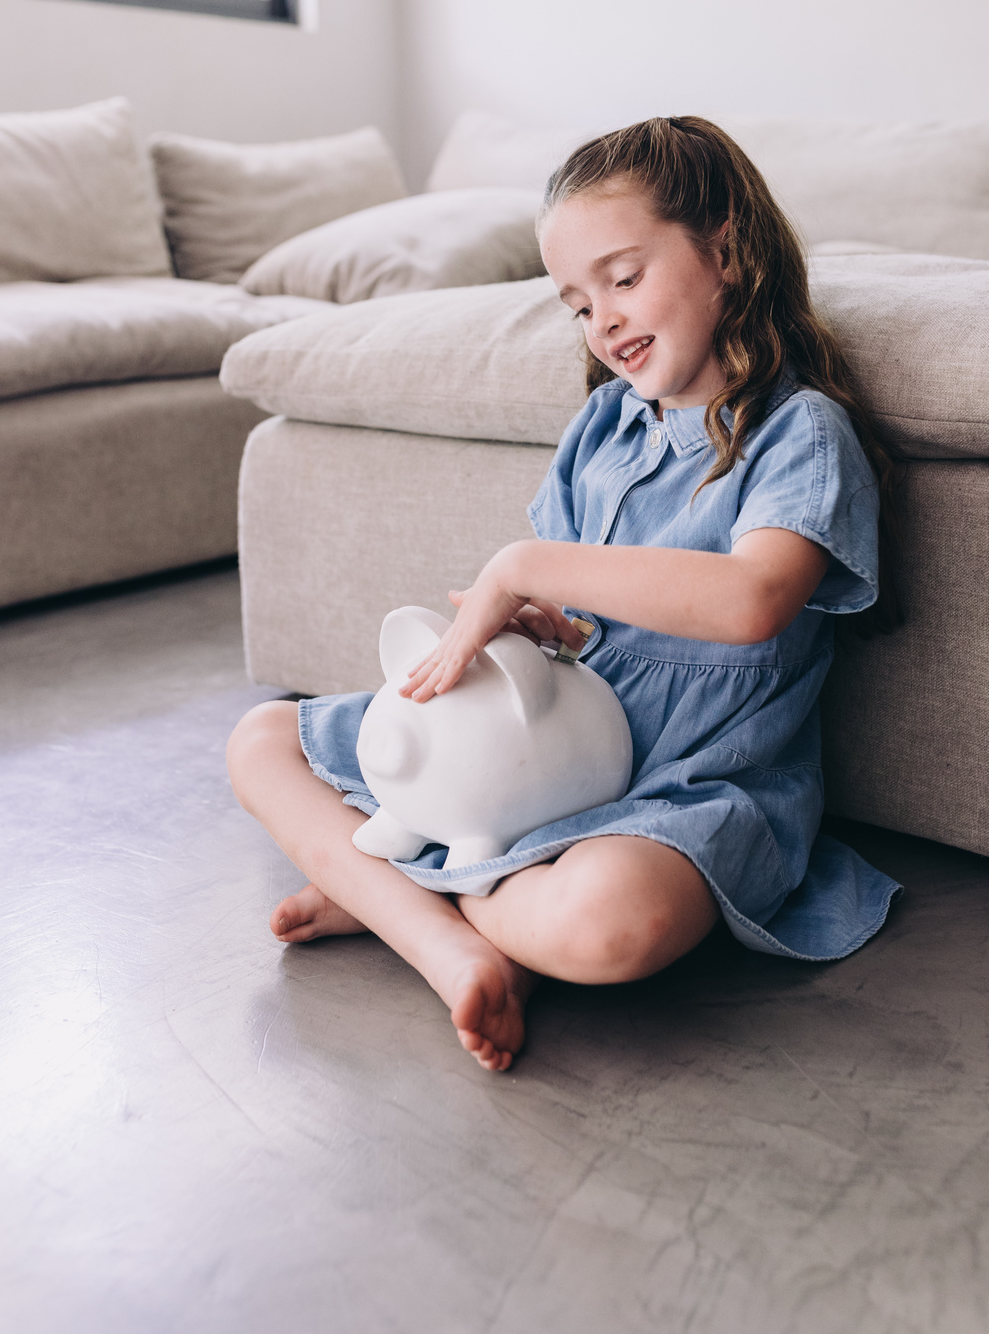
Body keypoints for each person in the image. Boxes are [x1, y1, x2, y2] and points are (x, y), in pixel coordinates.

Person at [227, 116, 902, 1073]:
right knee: (261, 740)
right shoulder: (603, 426)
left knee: (604, 927)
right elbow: (583, 622)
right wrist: (551, 629)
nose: (604, 321)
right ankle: (456, 944)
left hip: (693, 783)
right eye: (578, 305)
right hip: (543, 756)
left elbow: (752, 598)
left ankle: (409, 895)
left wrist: (527, 568)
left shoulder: (799, 433)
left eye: (622, 280)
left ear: (725, 252)